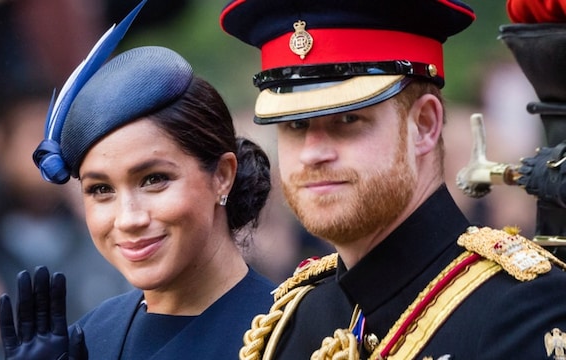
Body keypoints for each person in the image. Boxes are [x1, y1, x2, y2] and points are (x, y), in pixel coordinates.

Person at [220, 0, 566, 359]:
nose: (312, 153)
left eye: (347, 120)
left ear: (425, 125)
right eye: (295, 125)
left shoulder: (523, 311)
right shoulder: (296, 318)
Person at [0, 2, 274, 359]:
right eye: (100, 190)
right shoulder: (88, 338)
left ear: (222, 176)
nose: (128, 218)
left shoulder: (293, 332)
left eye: (154, 179)